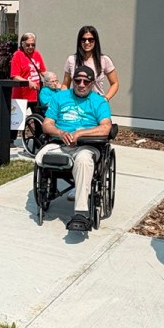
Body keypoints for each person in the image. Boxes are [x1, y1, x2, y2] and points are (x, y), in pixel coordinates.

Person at [40, 65, 113, 232]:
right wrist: (60, 131)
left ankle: (80, 212)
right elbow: (47, 124)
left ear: (92, 83)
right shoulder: (60, 97)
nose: (81, 84)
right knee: (44, 156)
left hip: (87, 146)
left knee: (83, 159)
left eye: (86, 81)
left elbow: (106, 128)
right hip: (60, 144)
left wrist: (80, 133)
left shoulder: (99, 101)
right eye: (77, 80)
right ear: (72, 80)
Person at [62, 25, 120, 101]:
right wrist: (63, 99)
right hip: (76, 104)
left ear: (96, 41)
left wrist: (106, 99)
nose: (87, 42)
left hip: (96, 104)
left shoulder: (104, 60)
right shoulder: (72, 59)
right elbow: (65, 84)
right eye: (83, 39)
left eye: (90, 39)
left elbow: (115, 83)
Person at [11, 32, 47, 112]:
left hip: (36, 94)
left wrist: (51, 78)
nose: (30, 47)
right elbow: (15, 76)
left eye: (33, 45)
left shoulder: (37, 54)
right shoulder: (17, 55)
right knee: (17, 122)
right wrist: (28, 82)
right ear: (22, 44)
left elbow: (43, 71)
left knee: (38, 120)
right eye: (28, 45)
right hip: (21, 95)